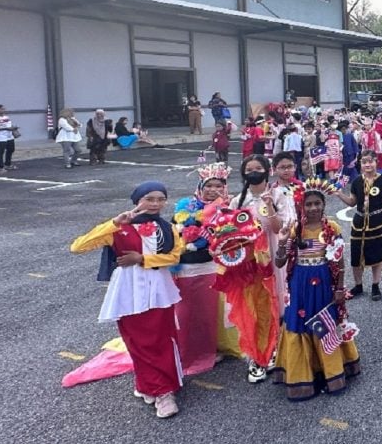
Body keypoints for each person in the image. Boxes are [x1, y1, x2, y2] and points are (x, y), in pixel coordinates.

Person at [69, 181, 184, 418]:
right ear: (137, 200)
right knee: (137, 342)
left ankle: (164, 392)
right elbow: (78, 247)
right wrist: (113, 223)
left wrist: (142, 259)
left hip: (159, 291)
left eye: (160, 199)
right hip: (128, 292)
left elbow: (174, 257)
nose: (155, 204)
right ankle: (147, 384)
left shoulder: (167, 228)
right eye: (149, 199)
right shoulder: (118, 227)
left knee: (160, 340)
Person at [271, 182, 362, 400]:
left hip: (323, 284)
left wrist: (339, 288)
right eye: (308, 204)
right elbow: (280, 262)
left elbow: (339, 261)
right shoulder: (294, 229)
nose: (312, 208)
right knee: (299, 324)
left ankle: (329, 371)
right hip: (300, 285)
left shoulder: (332, 228)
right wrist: (282, 243)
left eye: (317, 204)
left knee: (325, 324)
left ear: (323, 205)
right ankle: (304, 373)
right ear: (301, 206)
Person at [228, 154, 292, 383]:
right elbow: (230, 235)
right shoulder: (237, 201)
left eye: (258, 168)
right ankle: (256, 355)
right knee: (253, 305)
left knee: (275, 301)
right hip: (249, 261)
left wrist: (269, 207)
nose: (253, 172)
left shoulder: (279, 195)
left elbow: (280, 229)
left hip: (273, 256)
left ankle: (275, 348)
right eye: (249, 169)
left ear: (267, 171)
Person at [171, 163, 230, 376]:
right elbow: (175, 236)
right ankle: (184, 353)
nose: (213, 190)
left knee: (208, 314)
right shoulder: (185, 207)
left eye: (218, 186)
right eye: (209, 185)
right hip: (186, 268)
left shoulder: (229, 209)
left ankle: (207, 351)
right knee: (185, 313)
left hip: (212, 267)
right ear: (200, 186)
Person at [335, 150, 382, 301]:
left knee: (377, 254)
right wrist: (339, 194)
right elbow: (352, 202)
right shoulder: (356, 181)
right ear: (361, 164)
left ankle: (375, 285)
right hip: (359, 222)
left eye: (370, 161)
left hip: (378, 221)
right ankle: (358, 286)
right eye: (364, 162)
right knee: (356, 256)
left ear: (376, 162)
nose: (367, 164)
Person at [0, 104, 18, 172]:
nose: (4, 110)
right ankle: (0, 167)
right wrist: (5, 128)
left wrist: (13, 129)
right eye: (2, 109)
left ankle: (8, 164)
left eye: (4, 109)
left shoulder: (6, 117)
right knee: (0, 151)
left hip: (9, 136)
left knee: (11, 149)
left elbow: (9, 125)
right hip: (0, 137)